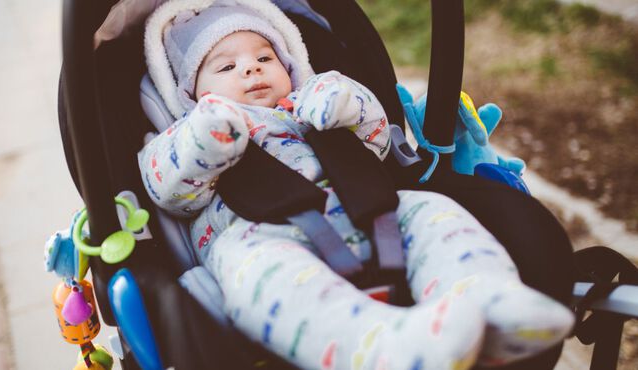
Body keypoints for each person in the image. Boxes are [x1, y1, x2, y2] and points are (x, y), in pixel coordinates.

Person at [140, 1, 574, 369]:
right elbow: (170, 191)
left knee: (434, 213)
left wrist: (344, 101)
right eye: (227, 66)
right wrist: (206, 138)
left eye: (265, 57)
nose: (251, 68)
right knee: (265, 278)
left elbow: (378, 142)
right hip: (261, 238)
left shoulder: (309, 103)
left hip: (376, 212)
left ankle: (486, 297)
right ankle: (378, 344)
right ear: (190, 92)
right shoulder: (181, 134)